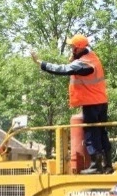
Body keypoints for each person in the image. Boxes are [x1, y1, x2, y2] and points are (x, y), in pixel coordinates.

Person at [31, 34, 111, 174]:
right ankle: (108, 165)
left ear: (78, 48)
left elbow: (63, 69)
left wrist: (40, 63)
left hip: (91, 103)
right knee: (101, 132)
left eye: (72, 47)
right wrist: (74, 58)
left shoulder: (83, 64)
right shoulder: (91, 56)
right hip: (101, 101)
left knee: (91, 133)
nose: (70, 49)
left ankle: (96, 166)